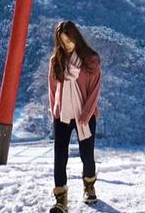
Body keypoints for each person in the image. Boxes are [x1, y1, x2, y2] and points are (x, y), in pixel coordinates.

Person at [48, 20, 102, 212]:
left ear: (76, 37)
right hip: (62, 115)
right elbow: (53, 89)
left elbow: (95, 90)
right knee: (59, 156)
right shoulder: (57, 60)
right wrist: (55, 110)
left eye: (69, 40)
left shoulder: (91, 60)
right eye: (62, 41)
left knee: (86, 155)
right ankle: (60, 198)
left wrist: (86, 114)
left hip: (84, 115)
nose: (67, 45)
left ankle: (89, 186)